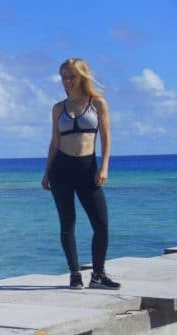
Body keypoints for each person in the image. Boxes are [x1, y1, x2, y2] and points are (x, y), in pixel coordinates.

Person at [41, 57, 120, 290]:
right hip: (61, 170)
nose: (67, 81)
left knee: (101, 223)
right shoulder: (58, 108)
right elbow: (54, 142)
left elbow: (106, 138)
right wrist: (47, 172)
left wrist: (104, 167)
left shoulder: (97, 104)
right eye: (64, 77)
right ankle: (75, 274)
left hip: (88, 168)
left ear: (83, 76)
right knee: (67, 223)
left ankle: (98, 274)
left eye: (72, 76)